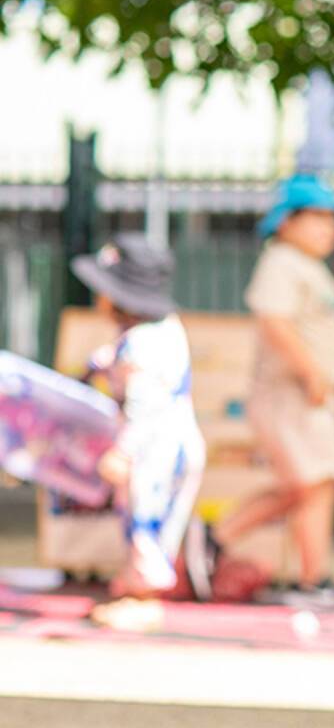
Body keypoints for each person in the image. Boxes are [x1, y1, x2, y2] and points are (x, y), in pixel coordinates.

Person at [211, 173, 334, 609]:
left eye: (332, 219)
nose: (329, 228)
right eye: (316, 217)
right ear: (285, 222)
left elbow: (318, 324)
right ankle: (215, 538)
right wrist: (312, 370)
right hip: (290, 394)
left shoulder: (310, 269)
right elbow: (274, 321)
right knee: (303, 483)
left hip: (312, 396)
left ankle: (313, 579)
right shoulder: (280, 261)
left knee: (320, 483)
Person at [72, 234, 207, 626]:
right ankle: (137, 584)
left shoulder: (143, 347)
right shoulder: (160, 330)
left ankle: (145, 599)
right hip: (171, 440)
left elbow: (144, 406)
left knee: (146, 517)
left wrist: (123, 452)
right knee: (144, 515)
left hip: (156, 447)